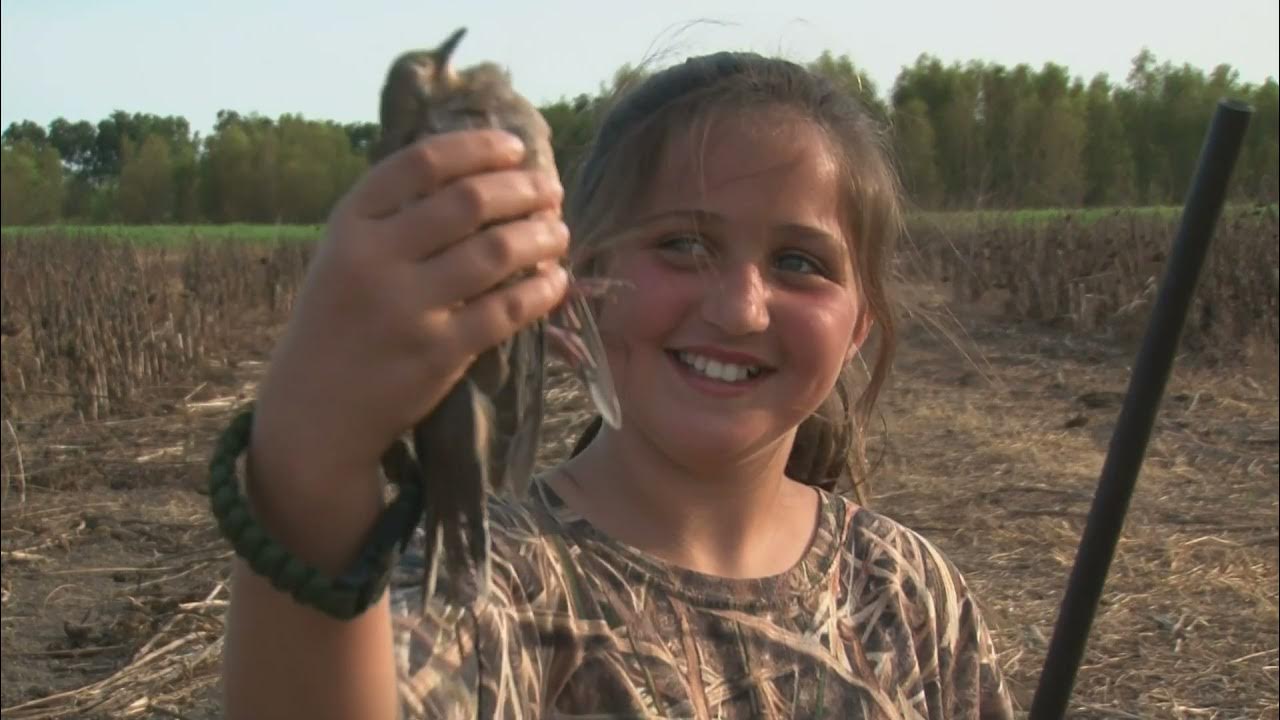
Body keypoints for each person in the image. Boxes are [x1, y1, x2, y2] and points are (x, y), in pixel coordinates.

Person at [219, 51, 1016, 719]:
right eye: (682, 244)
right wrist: (310, 464)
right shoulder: (488, 588)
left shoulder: (907, 591)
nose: (738, 309)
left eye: (799, 263)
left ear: (859, 330)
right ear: (579, 277)